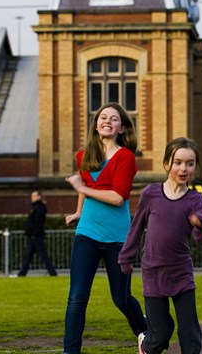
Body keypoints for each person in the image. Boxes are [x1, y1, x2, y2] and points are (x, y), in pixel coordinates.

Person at [63, 102, 147, 354]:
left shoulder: (126, 158)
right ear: (96, 124)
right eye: (102, 117)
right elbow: (85, 182)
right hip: (87, 232)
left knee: (120, 298)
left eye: (114, 118)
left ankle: (146, 334)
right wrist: (79, 211)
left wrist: (82, 189)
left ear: (122, 128)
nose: (107, 121)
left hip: (117, 237)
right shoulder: (84, 156)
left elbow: (118, 197)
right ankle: (70, 351)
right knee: (77, 297)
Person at [119, 137, 202, 354]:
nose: (183, 168)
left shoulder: (196, 200)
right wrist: (126, 257)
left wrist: (200, 224)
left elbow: (201, 239)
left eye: (190, 163)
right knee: (160, 336)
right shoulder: (151, 194)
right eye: (178, 162)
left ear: (195, 167)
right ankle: (145, 345)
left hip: (181, 273)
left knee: (190, 335)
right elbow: (137, 226)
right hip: (153, 271)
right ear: (166, 163)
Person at [17, 190, 58, 277]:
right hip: (34, 236)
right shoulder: (36, 208)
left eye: (34, 196)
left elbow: (37, 223)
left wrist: (33, 234)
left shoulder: (38, 208)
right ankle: (22, 273)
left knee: (42, 255)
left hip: (36, 236)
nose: (32, 198)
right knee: (28, 256)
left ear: (39, 197)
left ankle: (52, 272)